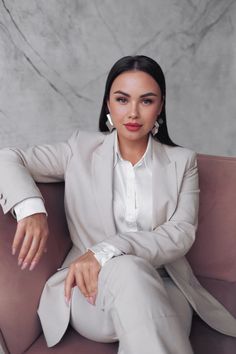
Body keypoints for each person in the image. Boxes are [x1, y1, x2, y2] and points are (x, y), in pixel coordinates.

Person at [0, 55, 236, 354]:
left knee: (142, 303)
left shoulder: (181, 162)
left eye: (146, 101)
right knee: (128, 275)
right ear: (108, 104)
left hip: (165, 285)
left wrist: (105, 249)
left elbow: (180, 233)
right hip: (89, 289)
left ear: (160, 106)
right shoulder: (79, 150)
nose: (133, 112)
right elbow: (7, 157)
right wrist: (31, 209)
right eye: (122, 99)